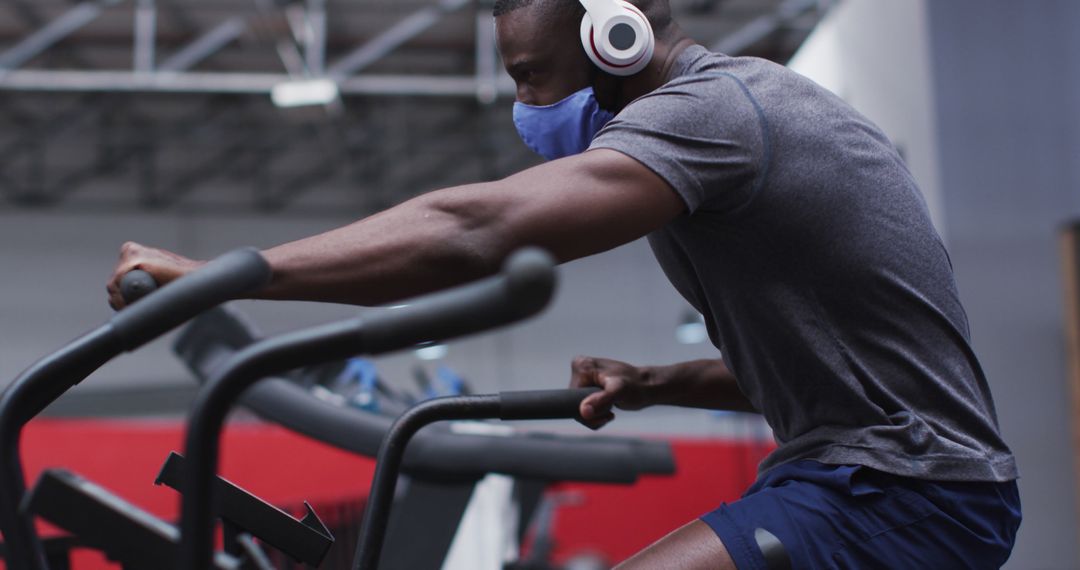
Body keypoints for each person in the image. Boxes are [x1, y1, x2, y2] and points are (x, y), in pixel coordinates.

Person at [107, 0, 1021, 567]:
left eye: (533, 77)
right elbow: (833, 358)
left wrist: (214, 278)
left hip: (907, 486)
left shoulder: (716, 114)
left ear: (612, 36)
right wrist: (657, 382)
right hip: (872, 473)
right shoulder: (710, 149)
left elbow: (478, 230)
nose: (527, 108)